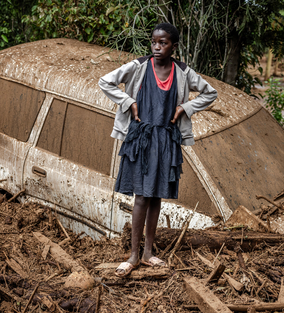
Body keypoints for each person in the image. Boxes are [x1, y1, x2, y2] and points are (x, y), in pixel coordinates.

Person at [99, 23, 218, 277]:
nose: (156, 47)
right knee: (141, 196)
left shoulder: (183, 72)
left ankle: (148, 253)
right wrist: (128, 101)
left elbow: (210, 93)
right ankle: (133, 255)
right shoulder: (139, 66)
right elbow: (105, 82)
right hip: (141, 140)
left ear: (173, 46)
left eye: (163, 43)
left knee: (156, 197)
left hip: (166, 141)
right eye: (154, 42)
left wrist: (185, 108)